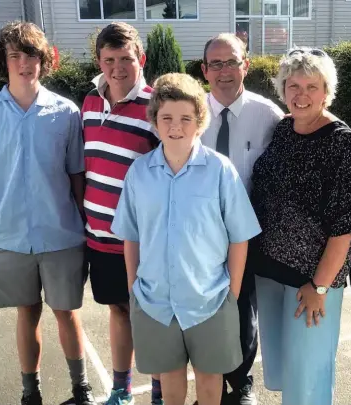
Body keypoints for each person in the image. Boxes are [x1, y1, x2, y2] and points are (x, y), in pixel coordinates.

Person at [110, 73, 262, 405]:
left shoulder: (220, 170)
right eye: (166, 118)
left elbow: (240, 237)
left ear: (199, 122)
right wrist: (135, 285)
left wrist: (231, 294)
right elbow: (131, 236)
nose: (175, 126)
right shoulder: (139, 173)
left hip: (210, 300)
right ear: (154, 121)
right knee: (170, 381)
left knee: (210, 381)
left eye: (185, 118)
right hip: (155, 302)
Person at [0, 21, 95, 405]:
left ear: (44, 60)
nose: (25, 63)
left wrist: (84, 227)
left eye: (32, 55)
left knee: (67, 313)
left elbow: (77, 178)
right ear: (3, 62)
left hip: (62, 236)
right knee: (27, 313)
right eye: (15, 56)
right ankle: (30, 393)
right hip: (11, 239)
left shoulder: (66, 113)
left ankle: (81, 389)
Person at [246, 47, 351, 405]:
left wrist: (320, 285)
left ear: (327, 91)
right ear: (282, 90)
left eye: (311, 86)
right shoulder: (284, 129)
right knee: (286, 369)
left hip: (311, 281)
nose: (301, 95)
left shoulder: (342, 143)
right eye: (292, 85)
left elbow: (345, 226)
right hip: (270, 270)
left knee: (309, 373)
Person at [199, 33, 284, 405]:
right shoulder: (192, 112)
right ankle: (209, 381)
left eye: (231, 61)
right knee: (202, 308)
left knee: (241, 307)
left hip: (247, 236)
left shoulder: (268, 116)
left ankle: (241, 382)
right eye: (215, 64)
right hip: (200, 236)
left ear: (245, 65)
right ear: (204, 71)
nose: (224, 71)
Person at [80, 22, 162, 405]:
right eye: (109, 59)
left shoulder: (156, 107)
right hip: (100, 237)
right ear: (99, 61)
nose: (117, 67)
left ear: (140, 59)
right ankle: (121, 390)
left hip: (143, 241)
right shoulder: (89, 104)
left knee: (152, 317)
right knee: (118, 310)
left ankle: (161, 391)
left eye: (125, 58)